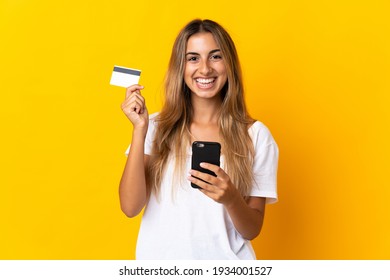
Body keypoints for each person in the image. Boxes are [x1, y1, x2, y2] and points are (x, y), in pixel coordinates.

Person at [119, 19, 279, 260]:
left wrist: (232, 199)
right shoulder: (155, 127)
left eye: (215, 56)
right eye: (193, 58)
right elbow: (130, 207)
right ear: (180, 67)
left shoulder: (256, 136)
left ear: (230, 64)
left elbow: (252, 229)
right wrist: (139, 130)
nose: (205, 69)